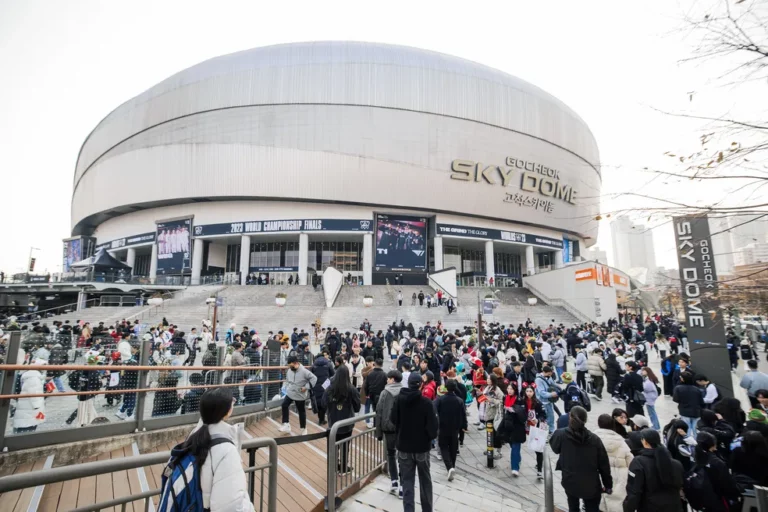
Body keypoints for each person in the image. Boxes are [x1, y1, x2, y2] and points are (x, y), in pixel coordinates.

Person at [179, 387, 254, 512]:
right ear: (227, 411)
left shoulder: (193, 436)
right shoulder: (226, 450)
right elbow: (231, 504)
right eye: (232, 401)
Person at [549, 406, 612, 512]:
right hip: (591, 484)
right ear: (585, 420)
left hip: (570, 480)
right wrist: (608, 485)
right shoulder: (595, 439)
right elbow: (604, 465)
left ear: (570, 417)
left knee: (573, 507)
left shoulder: (561, 434)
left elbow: (555, 448)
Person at [390, 372, 438, 512]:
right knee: (425, 481)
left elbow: (393, 419)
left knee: (407, 482)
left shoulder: (399, 400)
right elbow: (433, 428)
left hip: (404, 447)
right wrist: (429, 437)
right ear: (421, 385)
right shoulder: (426, 403)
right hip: (422, 447)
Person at [623, 429, 684, 512]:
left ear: (644, 441)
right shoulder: (676, 464)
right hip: (675, 507)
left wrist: (628, 508)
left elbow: (634, 492)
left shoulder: (639, 462)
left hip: (650, 507)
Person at [688, 432, 741, 512]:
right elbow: (727, 484)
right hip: (718, 500)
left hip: (703, 500)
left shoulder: (695, 458)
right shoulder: (717, 462)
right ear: (713, 446)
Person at [323, 365, 361, 474]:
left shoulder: (329, 387)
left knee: (333, 446)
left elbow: (323, 403)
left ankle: (334, 467)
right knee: (345, 446)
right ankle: (343, 468)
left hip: (333, 422)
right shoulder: (351, 389)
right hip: (347, 423)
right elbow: (357, 407)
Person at [593, 414, 633, 512]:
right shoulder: (621, 441)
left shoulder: (592, 439)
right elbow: (631, 461)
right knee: (617, 504)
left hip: (598, 477)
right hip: (619, 477)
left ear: (599, 424)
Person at [375, 370, 403, 495]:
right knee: (402, 456)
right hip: (402, 428)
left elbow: (379, 412)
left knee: (391, 454)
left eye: (388, 378)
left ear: (392, 379)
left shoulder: (385, 393)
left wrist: (379, 433)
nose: (387, 380)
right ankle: (403, 485)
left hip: (388, 428)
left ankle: (394, 481)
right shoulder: (404, 391)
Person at [435, 379, 466, 481]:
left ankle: (449, 467)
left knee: (443, 447)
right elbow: (463, 415)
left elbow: (434, 410)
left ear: (446, 387)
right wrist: (464, 426)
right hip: (455, 428)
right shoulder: (459, 400)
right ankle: (452, 466)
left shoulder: (440, 400)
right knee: (453, 447)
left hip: (443, 427)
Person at [278, 355, 317, 435]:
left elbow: (314, 378)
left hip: (300, 394)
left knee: (301, 411)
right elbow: (288, 380)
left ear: (296, 363)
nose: (289, 367)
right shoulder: (290, 370)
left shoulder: (304, 371)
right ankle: (286, 424)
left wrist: (306, 387)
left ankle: (303, 428)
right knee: (284, 405)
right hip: (291, 392)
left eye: (291, 365)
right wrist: (286, 387)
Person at [13, 360, 46, 433]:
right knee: (28, 426)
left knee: (24, 425)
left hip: (26, 405)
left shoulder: (30, 374)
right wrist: (38, 406)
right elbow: (34, 393)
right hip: (31, 406)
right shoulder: (34, 377)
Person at [673, 371, 703, 436]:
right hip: (696, 412)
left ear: (683, 379)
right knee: (696, 430)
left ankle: (688, 440)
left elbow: (676, 399)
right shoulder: (697, 389)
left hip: (684, 411)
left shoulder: (678, 388)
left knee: (687, 429)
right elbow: (701, 401)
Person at [310, 350, 335, 425]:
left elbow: (310, 375)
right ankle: (323, 419)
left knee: (318, 401)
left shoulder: (314, 365)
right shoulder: (328, 363)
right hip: (326, 384)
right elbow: (333, 374)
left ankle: (320, 419)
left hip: (316, 384)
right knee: (324, 400)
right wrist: (328, 381)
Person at [535, 366, 560, 433]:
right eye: (548, 374)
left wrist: (560, 390)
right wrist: (551, 394)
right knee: (544, 419)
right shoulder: (538, 380)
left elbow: (553, 384)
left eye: (550, 374)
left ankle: (551, 431)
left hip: (549, 401)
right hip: (542, 402)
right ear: (544, 372)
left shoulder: (549, 377)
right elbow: (541, 392)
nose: (550, 375)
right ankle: (543, 433)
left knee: (551, 417)